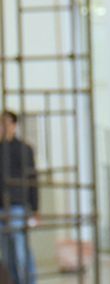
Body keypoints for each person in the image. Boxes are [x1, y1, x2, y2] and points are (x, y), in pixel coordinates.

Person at [0, 111, 37, 284]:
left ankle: (29, 281)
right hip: (1, 207)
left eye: (6, 123)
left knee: (21, 251)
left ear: (14, 126)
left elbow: (32, 179)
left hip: (17, 206)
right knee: (7, 253)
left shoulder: (24, 149)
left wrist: (35, 208)